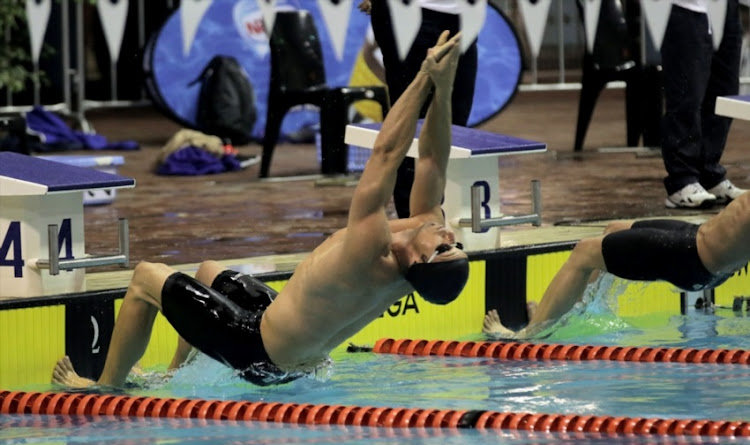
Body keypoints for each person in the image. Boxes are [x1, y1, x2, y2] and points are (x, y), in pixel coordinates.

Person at [52, 32, 470, 389]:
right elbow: (432, 157)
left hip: (255, 348)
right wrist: (444, 89)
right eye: (456, 243)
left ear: (417, 259)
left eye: (445, 248)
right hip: (294, 353)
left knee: (145, 277)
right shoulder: (424, 228)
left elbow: (385, 154)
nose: (448, 235)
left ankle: (106, 391)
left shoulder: (372, 250)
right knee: (208, 271)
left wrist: (422, 78)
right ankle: (173, 379)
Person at [483, 191, 750, 339]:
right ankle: (557, 318)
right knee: (612, 230)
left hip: (690, 257)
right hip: (695, 238)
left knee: (584, 252)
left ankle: (528, 336)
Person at [359, 0, 479, 218]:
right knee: (411, 124)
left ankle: (438, 222)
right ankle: (412, 226)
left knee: (453, 124)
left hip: (463, 14)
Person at [660, 0, 746, 208]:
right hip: (686, 7)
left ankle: (709, 174)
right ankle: (682, 179)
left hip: (726, 8)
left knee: (724, 92)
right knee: (686, 94)